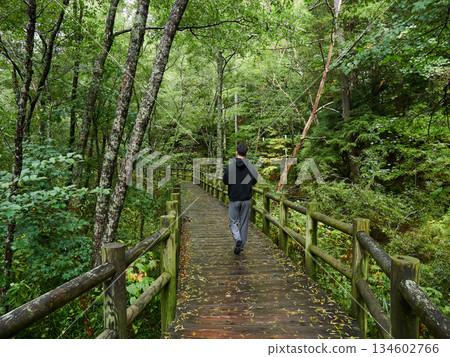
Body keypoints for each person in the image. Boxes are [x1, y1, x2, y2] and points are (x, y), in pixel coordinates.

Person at [222, 143, 258, 255]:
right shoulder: (251, 167)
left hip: (234, 198)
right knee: (244, 222)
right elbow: (254, 181)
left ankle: (237, 239)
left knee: (233, 222)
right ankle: (241, 244)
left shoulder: (230, 167)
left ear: (236, 152)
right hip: (246, 198)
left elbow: (225, 181)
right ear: (246, 154)